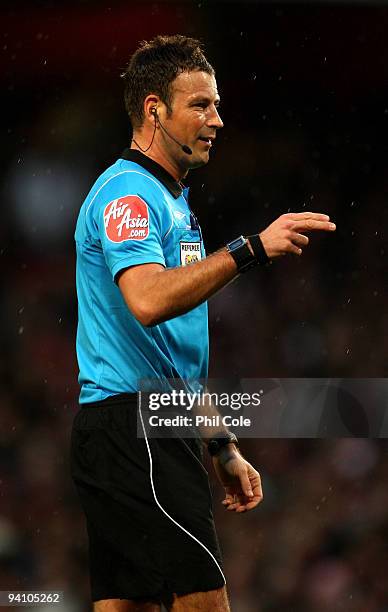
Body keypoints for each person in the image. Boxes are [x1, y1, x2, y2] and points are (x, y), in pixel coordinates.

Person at [71, 35, 336, 612]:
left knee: (129, 606)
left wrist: (220, 445)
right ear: (153, 110)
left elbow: (172, 354)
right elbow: (144, 301)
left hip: (147, 423)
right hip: (133, 426)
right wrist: (250, 250)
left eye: (216, 104)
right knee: (205, 602)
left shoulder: (173, 203)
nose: (217, 119)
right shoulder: (129, 196)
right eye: (201, 105)